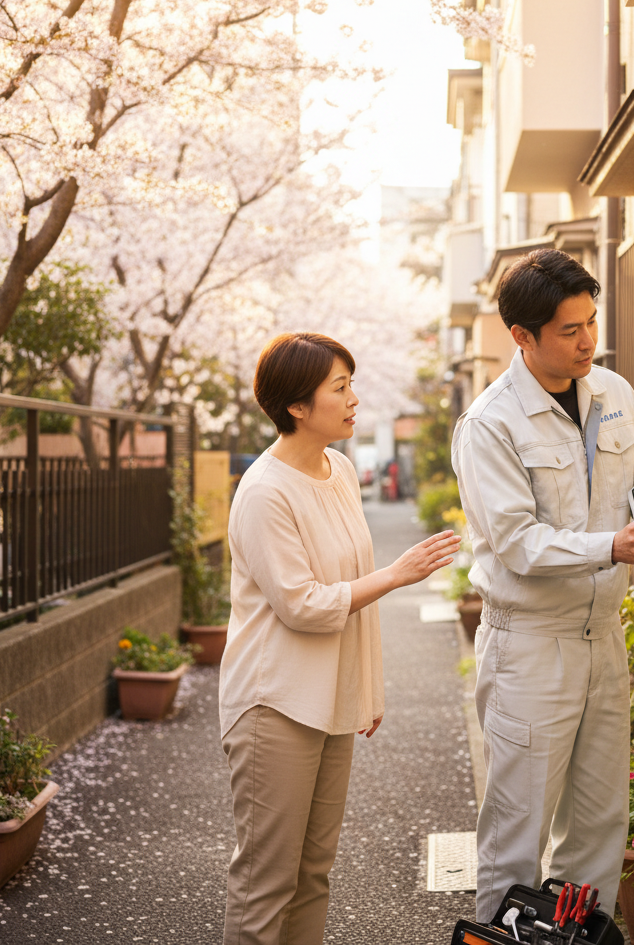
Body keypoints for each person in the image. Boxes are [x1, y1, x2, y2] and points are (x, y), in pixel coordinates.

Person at [452, 249, 634, 920]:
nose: (588, 340)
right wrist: (612, 545)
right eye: (569, 329)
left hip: (602, 637)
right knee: (517, 835)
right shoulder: (490, 423)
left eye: (591, 322)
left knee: (598, 828)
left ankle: (576, 938)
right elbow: (517, 543)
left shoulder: (614, 393)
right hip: (531, 645)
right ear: (522, 336)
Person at [219, 331, 460, 945]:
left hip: (326, 702)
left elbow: (352, 592)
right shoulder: (265, 491)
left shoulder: (341, 470)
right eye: (340, 388)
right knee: (265, 885)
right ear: (297, 406)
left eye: (352, 385)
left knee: (313, 875)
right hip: (274, 705)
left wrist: (363, 691)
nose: (354, 400)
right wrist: (398, 574)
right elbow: (301, 605)